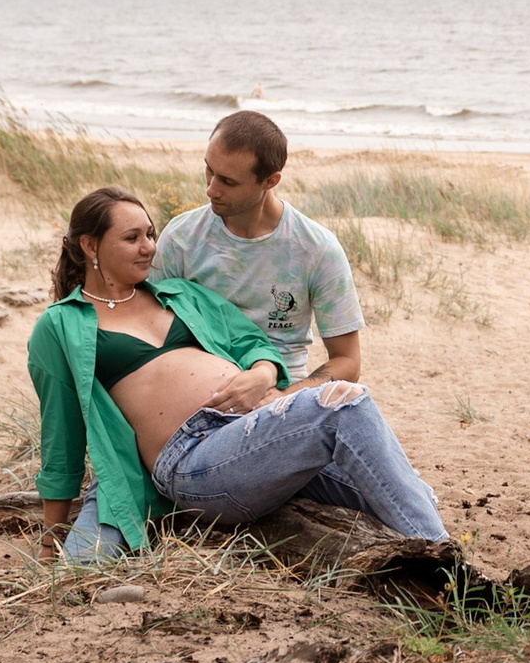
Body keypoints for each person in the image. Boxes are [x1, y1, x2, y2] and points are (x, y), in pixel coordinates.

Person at [30, 185, 447, 562]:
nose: (149, 248)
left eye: (150, 234)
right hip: (192, 460)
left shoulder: (180, 294)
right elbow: (60, 438)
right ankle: (455, 578)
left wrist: (264, 374)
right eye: (132, 238)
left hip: (253, 435)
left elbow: (253, 344)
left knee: (408, 494)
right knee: (343, 404)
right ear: (89, 245)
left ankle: (442, 562)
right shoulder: (61, 326)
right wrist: (51, 542)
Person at [152, 109, 362, 402]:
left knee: (356, 402)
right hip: (201, 390)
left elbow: (347, 361)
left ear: (270, 181)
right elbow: (150, 331)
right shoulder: (181, 238)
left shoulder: (317, 248)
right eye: (209, 170)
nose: (211, 189)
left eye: (228, 181)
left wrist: (282, 396)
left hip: (282, 393)